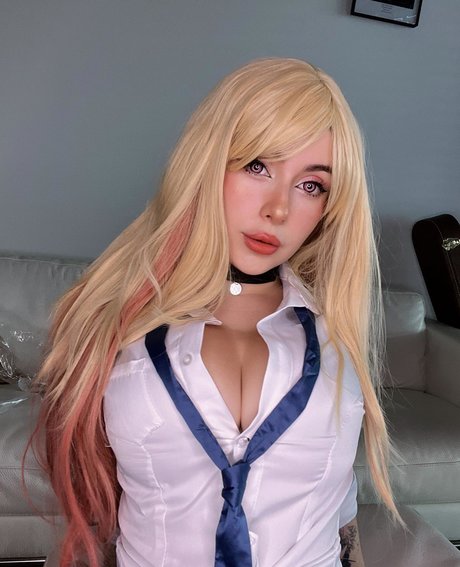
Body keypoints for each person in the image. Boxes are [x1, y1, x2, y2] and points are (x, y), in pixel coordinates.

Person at [35, 58, 401, 567]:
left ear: (329, 207)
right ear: (208, 161)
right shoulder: (115, 326)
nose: (278, 209)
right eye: (258, 166)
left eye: (311, 185)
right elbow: (92, 508)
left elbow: (339, 510)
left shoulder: (336, 338)